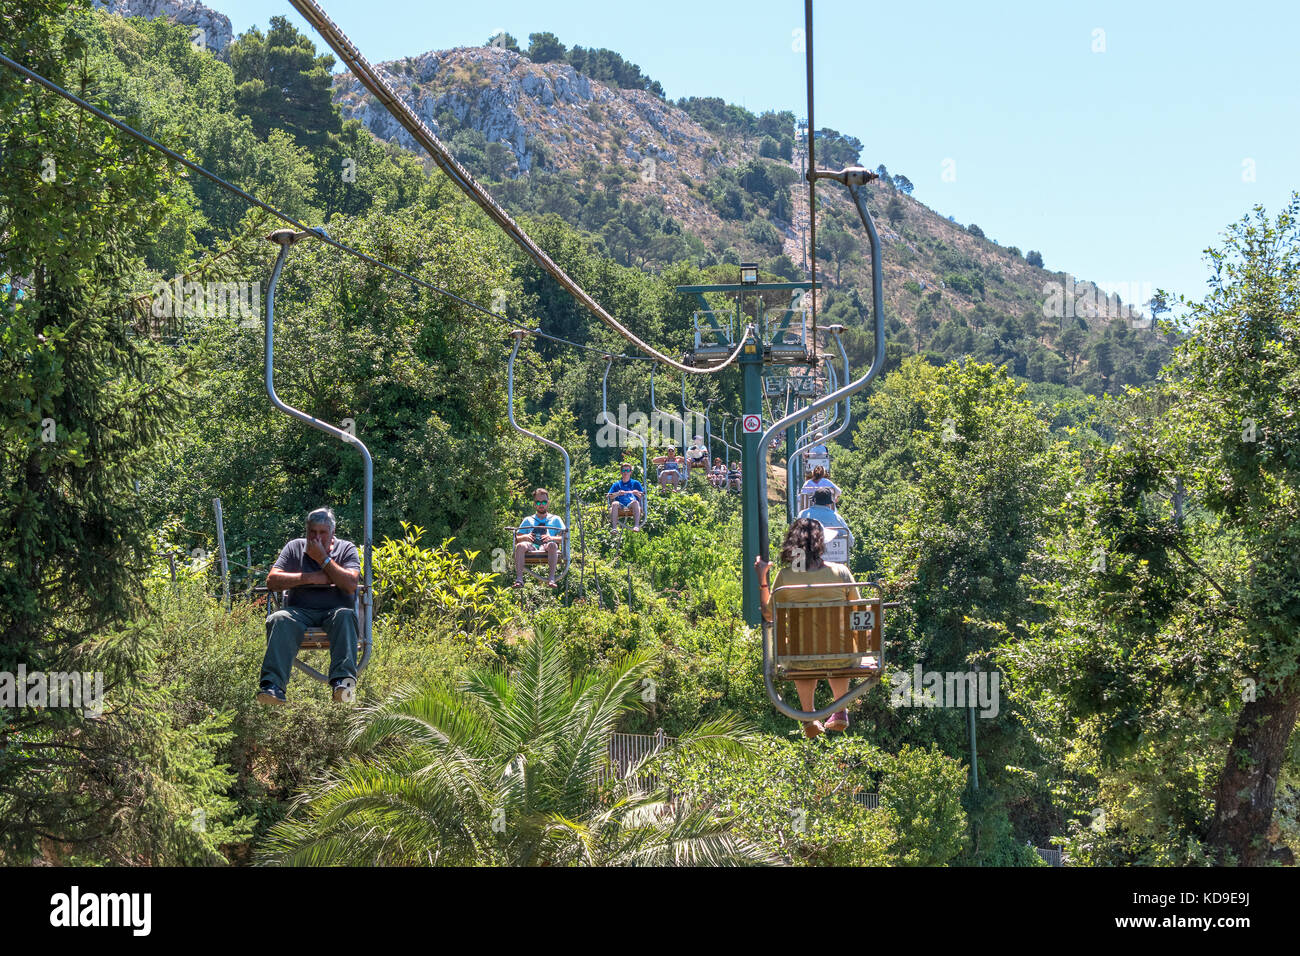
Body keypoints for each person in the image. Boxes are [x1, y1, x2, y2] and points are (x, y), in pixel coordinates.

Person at [754, 517, 864, 737]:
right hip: (841, 655)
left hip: (799, 657)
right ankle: (840, 710)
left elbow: (768, 613)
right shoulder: (841, 573)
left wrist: (762, 578)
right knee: (838, 646)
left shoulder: (786, 576)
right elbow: (859, 611)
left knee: (802, 650)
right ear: (821, 544)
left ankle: (808, 716)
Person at [259, 506, 362, 706]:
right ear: (306, 531)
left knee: (345, 616)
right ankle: (273, 686)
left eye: (322, 533)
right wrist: (312, 578)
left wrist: (323, 560)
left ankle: (344, 683)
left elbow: (350, 584)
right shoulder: (294, 547)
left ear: (332, 533)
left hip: (335, 612)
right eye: (312, 532)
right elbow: (272, 580)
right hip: (300, 612)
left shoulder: (346, 549)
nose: (316, 538)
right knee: (279, 618)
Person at [514, 487, 565, 587]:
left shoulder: (555, 519)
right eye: (538, 502)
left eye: (544, 502)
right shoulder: (528, 520)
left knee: (552, 545)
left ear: (548, 503)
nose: (541, 505)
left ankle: (551, 579)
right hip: (531, 546)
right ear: (534, 504)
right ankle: (519, 579)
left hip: (546, 547)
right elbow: (517, 539)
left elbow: (564, 539)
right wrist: (525, 536)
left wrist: (551, 538)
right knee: (520, 546)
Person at [607, 463, 645, 531]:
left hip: (631, 504)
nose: (625, 472)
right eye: (624, 470)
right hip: (620, 505)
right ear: (621, 472)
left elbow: (642, 496)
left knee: (636, 502)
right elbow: (610, 496)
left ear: (630, 472)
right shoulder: (616, 484)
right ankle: (614, 528)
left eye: (627, 471)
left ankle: (636, 526)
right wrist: (618, 494)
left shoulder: (636, 483)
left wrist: (637, 493)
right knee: (614, 504)